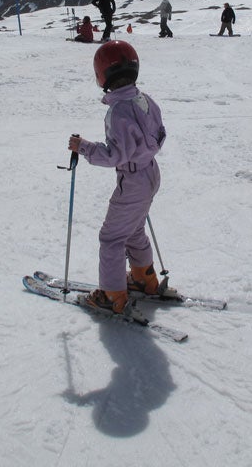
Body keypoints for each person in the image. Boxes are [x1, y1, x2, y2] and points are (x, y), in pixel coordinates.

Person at [68, 41, 167, 315]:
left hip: (133, 179)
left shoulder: (118, 111)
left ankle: (113, 296)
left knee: (111, 238)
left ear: (101, 75)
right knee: (133, 230)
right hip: (151, 174)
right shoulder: (145, 99)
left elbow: (115, 156)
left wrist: (84, 147)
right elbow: (160, 135)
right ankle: (143, 278)